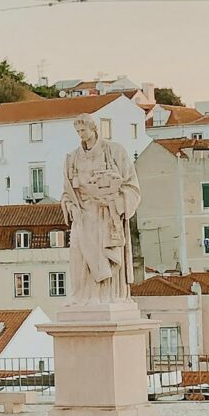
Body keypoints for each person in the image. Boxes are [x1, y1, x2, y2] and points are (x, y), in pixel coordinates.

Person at [61, 115, 139, 304]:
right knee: (79, 258)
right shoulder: (72, 158)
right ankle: (83, 296)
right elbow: (67, 193)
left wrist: (114, 201)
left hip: (106, 214)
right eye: (77, 132)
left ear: (94, 128)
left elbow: (132, 187)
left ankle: (107, 296)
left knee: (105, 255)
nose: (81, 135)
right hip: (82, 214)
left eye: (83, 130)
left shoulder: (115, 151)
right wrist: (70, 207)